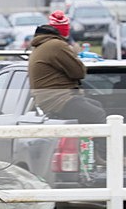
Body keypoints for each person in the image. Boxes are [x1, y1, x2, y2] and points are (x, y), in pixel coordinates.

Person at [29, 10, 107, 161]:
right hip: (59, 99)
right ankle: (106, 157)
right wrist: (75, 52)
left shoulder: (42, 45)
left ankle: (90, 152)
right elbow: (79, 72)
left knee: (96, 105)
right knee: (97, 114)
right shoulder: (56, 45)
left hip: (48, 99)